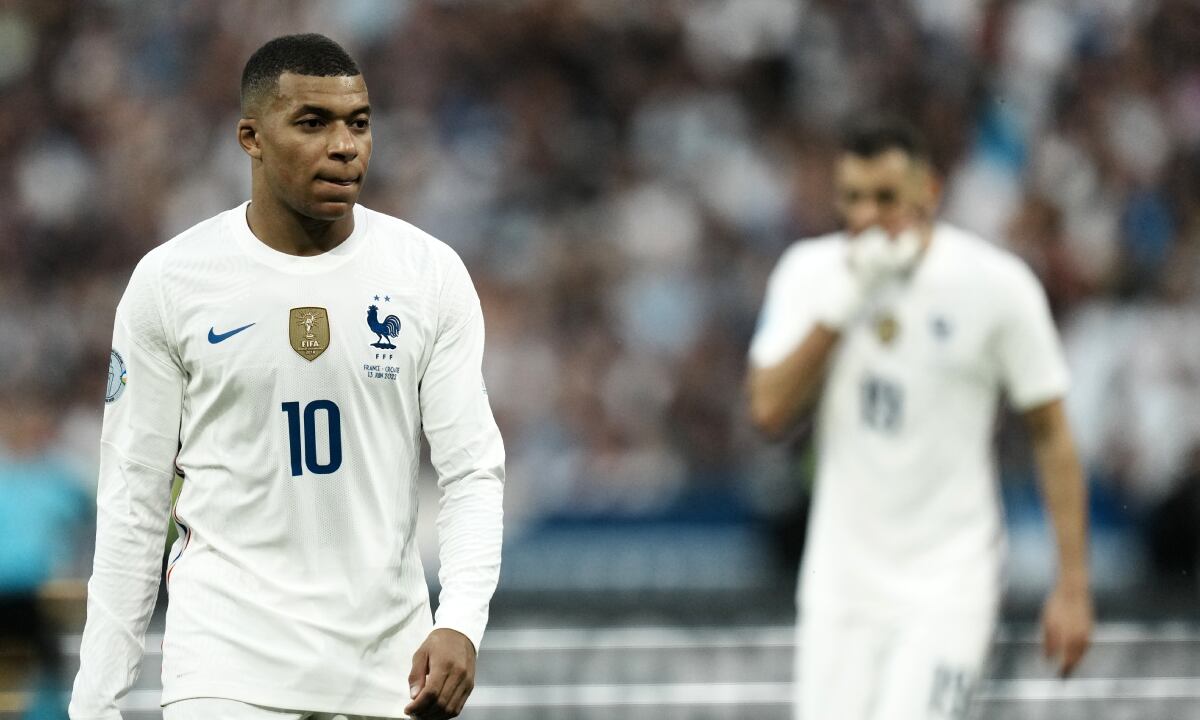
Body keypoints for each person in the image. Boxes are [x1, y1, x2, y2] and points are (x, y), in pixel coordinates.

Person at [69, 34, 505, 720]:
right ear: (252, 137)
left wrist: (461, 621)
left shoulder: (427, 274)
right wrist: (95, 705)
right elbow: (133, 500)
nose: (345, 146)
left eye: (359, 123)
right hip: (225, 670)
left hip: (386, 673)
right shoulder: (173, 282)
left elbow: (472, 470)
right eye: (313, 123)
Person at [746, 119, 1092, 719]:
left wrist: (1073, 585)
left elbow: (1050, 431)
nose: (867, 215)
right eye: (853, 197)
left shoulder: (995, 286)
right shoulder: (810, 274)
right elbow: (767, 409)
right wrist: (847, 298)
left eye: (886, 197)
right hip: (841, 586)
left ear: (929, 190)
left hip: (949, 582)